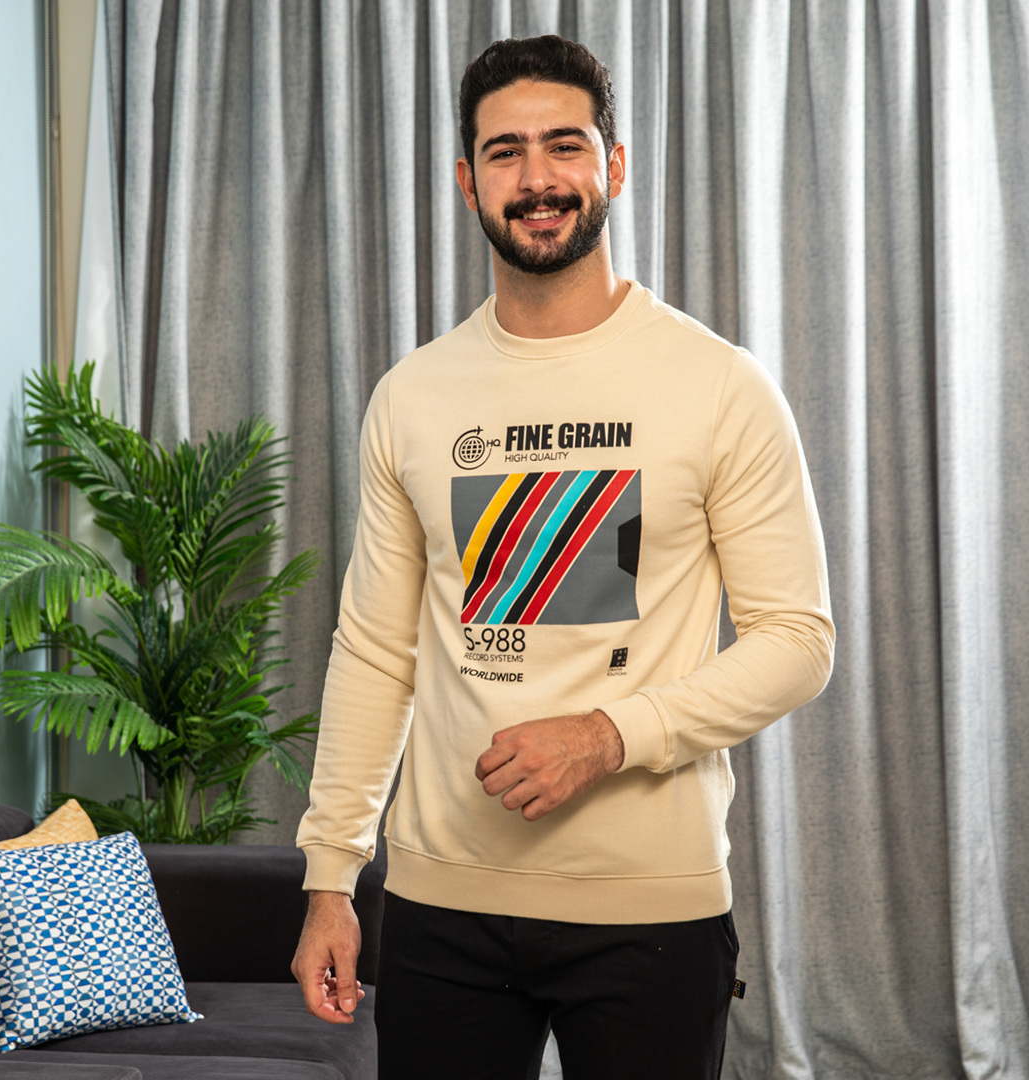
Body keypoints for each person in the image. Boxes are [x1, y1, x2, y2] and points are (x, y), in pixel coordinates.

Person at [292, 34, 834, 1080]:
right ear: (468, 181)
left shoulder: (720, 386)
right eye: (505, 152)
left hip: (651, 909)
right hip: (441, 905)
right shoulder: (413, 397)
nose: (537, 178)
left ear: (613, 165)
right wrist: (330, 877)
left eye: (565, 146)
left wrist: (605, 736)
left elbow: (798, 642)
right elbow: (375, 654)